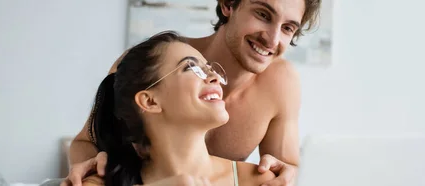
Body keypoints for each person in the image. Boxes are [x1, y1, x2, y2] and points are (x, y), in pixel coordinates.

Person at [64, 0, 321, 185]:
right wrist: (96, 173)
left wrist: (286, 174)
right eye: (263, 14)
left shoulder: (281, 82)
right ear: (228, 5)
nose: (273, 39)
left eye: (288, 28)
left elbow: (286, 168)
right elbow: (86, 142)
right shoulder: (151, 64)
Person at [85, 31, 276, 186]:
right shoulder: (99, 182)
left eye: (209, 68)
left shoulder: (258, 181)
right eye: (191, 68)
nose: (214, 77)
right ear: (150, 101)